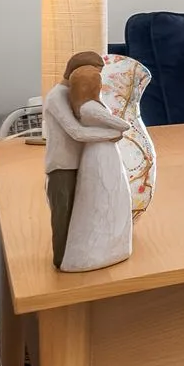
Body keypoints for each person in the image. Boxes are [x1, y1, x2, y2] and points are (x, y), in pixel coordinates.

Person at [41, 50, 133, 270]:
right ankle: (62, 260)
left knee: (83, 210)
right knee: (63, 212)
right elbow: (77, 132)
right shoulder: (56, 97)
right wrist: (111, 135)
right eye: (96, 73)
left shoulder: (78, 94)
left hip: (83, 160)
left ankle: (86, 251)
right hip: (63, 163)